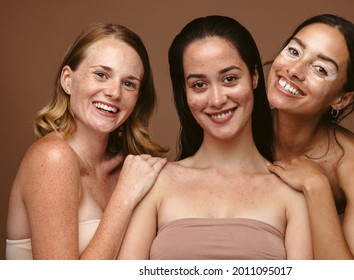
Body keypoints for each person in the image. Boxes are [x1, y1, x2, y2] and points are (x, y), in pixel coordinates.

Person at [118, 15, 312, 260]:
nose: (217, 99)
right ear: (185, 94)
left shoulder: (291, 191)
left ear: (254, 77)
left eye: (229, 79)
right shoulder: (155, 183)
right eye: (199, 84)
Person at [6, 23, 167, 259]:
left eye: (129, 83)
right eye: (101, 74)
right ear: (68, 80)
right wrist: (124, 197)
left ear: (137, 99)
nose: (114, 92)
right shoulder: (53, 158)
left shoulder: (130, 168)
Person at [266, 14, 354, 259]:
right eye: (294, 51)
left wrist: (316, 186)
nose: (294, 70)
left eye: (320, 69)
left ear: (342, 99)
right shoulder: (238, 124)